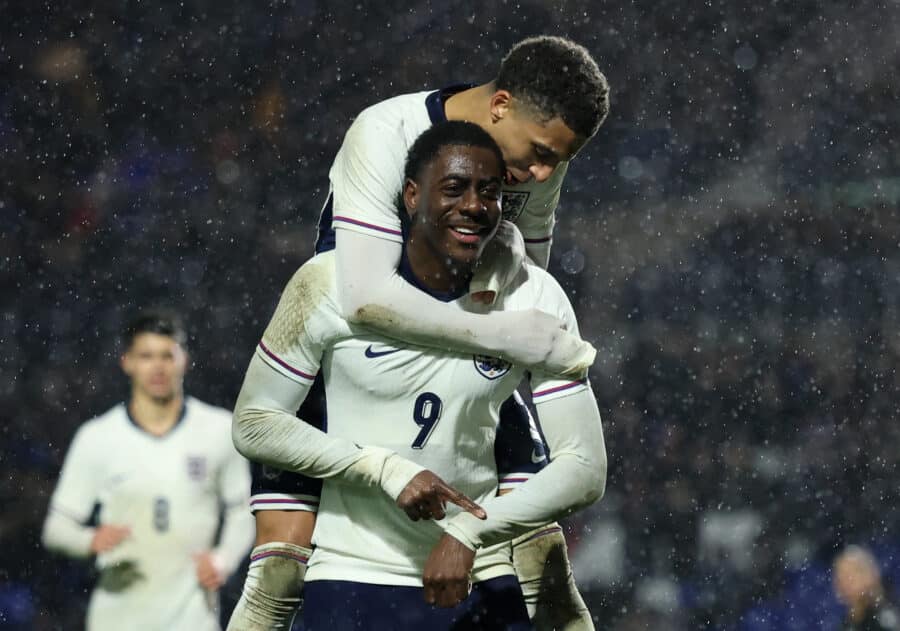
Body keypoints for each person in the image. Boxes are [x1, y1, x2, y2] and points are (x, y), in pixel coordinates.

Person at [231, 35, 609, 631]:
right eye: (539, 153)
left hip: (467, 357)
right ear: (501, 105)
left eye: (558, 161)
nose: (540, 173)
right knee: (278, 569)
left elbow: (526, 275)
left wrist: (508, 287)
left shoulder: (534, 160)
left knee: (545, 553)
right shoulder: (385, 130)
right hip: (356, 357)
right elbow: (364, 299)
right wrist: (501, 336)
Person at [42, 312, 254, 631]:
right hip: (117, 618)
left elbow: (244, 511)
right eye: (146, 356)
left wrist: (224, 559)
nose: (158, 367)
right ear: (127, 362)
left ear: (185, 360)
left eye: (167, 356)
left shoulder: (218, 430)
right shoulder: (97, 437)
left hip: (192, 618)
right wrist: (89, 540)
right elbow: (56, 528)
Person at [833, 545, 900, 631]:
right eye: (840, 578)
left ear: (869, 575)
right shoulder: (846, 624)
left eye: (849, 576)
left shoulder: (889, 616)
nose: (844, 583)